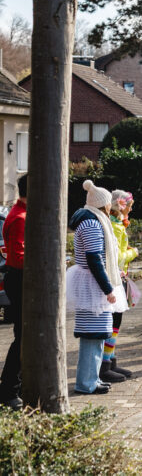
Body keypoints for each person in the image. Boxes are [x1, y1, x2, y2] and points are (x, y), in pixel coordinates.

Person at [68, 180, 127, 394]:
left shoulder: (92, 220)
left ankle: (92, 378)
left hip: (92, 283)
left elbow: (99, 258)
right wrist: (108, 289)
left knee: (98, 334)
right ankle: (86, 383)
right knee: (93, 335)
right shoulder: (93, 223)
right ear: (104, 205)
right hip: (93, 286)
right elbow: (94, 259)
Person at [100, 190, 139, 384]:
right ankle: (105, 363)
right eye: (129, 207)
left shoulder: (117, 225)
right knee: (113, 322)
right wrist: (134, 253)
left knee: (116, 322)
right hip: (115, 278)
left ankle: (111, 360)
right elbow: (117, 257)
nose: (130, 211)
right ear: (120, 206)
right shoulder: (115, 228)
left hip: (119, 277)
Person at [0, 175, 26, 408]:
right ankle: (9, 389)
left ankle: (14, 385)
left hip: (19, 279)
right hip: (20, 280)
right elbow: (18, 258)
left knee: (24, 334)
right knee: (23, 336)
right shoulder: (20, 218)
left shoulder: (20, 214)